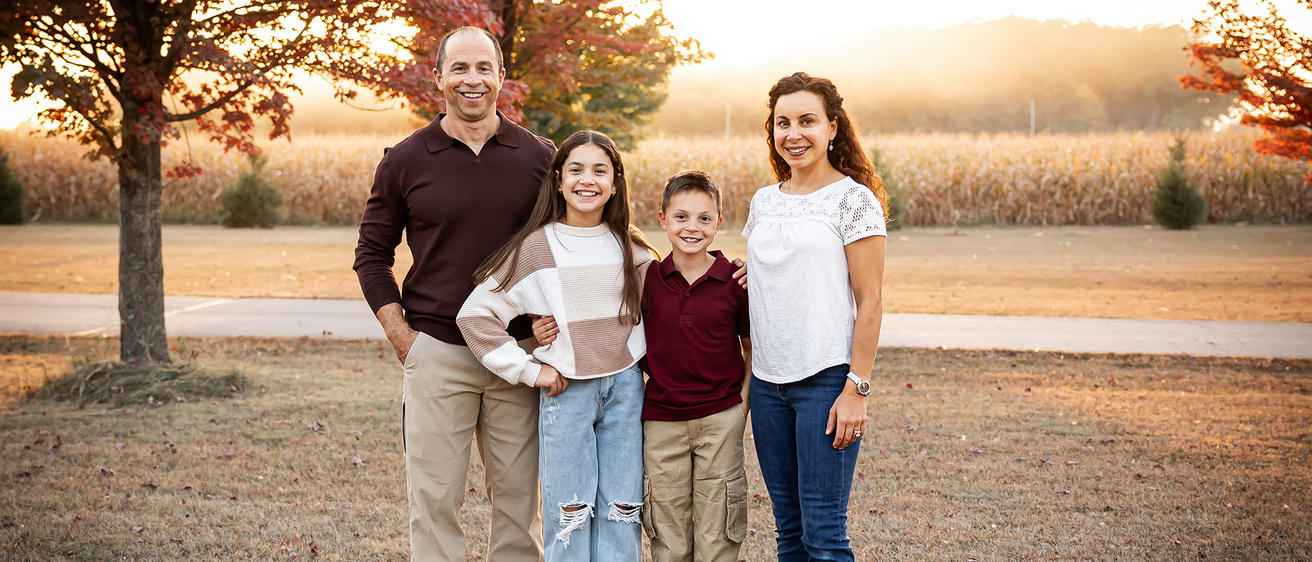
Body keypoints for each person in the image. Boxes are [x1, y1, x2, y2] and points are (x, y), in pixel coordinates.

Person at [353, 27, 555, 562]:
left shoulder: (538, 157)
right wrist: (403, 336)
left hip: (517, 356)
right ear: (438, 77)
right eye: (460, 69)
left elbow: (574, 244)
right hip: (437, 351)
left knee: (518, 505)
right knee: (435, 502)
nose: (473, 80)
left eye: (484, 68)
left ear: (501, 78)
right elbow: (371, 254)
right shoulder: (405, 160)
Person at [456, 130, 656, 562]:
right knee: (571, 512)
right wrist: (531, 369)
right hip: (567, 392)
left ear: (615, 183)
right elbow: (475, 315)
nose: (588, 180)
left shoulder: (632, 248)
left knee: (622, 510)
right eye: (577, 170)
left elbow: (673, 300)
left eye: (600, 170)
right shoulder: (536, 248)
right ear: (560, 179)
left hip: (625, 388)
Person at [742, 71, 889, 561]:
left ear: (832, 126)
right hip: (766, 384)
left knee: (824, 535)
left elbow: (870, 301)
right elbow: (774, 274)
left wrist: (856, 390)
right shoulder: (764, 202)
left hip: (826, 381)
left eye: (807, 120)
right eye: (782, 122)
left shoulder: (853, 200)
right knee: (788, 531)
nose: (793, 133)